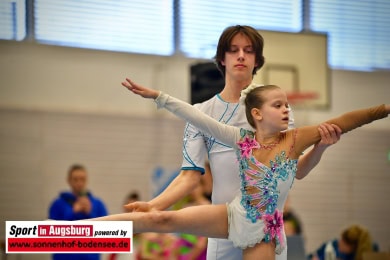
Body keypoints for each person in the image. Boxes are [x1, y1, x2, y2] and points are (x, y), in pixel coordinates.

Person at [83, 79, 389, 260]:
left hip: (264, 231)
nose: (286, 110)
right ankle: (75, 231)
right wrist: (160, 98)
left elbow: (347, 121)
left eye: (287, 105)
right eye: (278, 105)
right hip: (235, 214)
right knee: (160, 217)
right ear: (257, 114)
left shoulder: (295, 140)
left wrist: (383, 109)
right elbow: (198, 118)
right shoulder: (240, 139)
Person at [124, 25, 342, 260]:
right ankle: (80, 238)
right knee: (156, 219)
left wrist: (321, 147)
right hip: (222, 228)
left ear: (257, 60)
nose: (241, 55)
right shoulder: (202, 112)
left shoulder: (276, 109)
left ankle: (81, 237)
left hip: (264, 233)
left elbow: (296, 171)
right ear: (222, 58)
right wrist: (154, 204)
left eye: (248, 51)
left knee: (160, 221)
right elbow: (189, 176)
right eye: (233, 50)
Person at [49, 164, 108, 260]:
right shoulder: (57, 204)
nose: (79, 183)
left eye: (82, 179)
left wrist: (90, 213)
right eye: (75, 179)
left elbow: (107, 232)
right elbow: (50, 233)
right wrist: (72, 212)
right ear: (69, 180)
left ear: (87, 180)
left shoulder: (98, 204)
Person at [307, 224, 377, 260]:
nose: (339, 242)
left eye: (343, 241)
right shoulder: (332, 245)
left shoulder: (371, 251)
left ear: (352, 247)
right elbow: (312, 256)